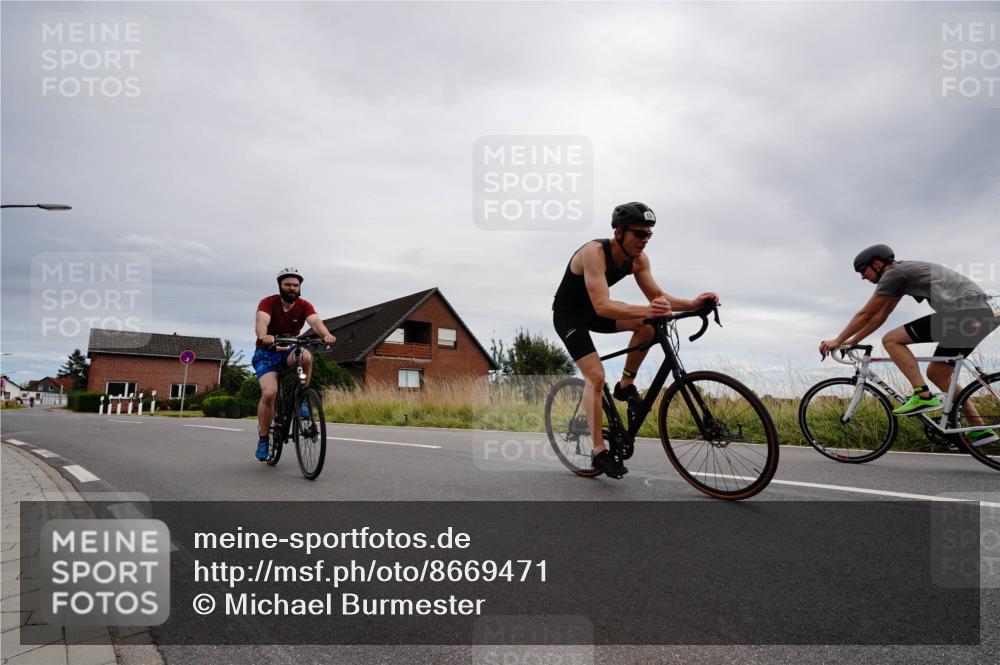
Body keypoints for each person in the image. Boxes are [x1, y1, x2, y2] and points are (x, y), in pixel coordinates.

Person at [552, 202, 720, 478]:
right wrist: (650, 310)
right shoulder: (594, 253)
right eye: (638, 234)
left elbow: (657, 297)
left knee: (650, 327)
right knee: (595, 376)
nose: (644, 240)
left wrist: (693, 304)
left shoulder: (638, 260)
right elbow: (602, 305)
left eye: (648, 235)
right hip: (571, 317)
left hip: (598, 312)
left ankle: (626, 384)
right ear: (618, 231)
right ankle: (598, 451)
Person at [820, 244, 998, 445]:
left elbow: (866, 314)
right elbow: (881, 315)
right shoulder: (901, 276)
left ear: (877, 264)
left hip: (966, 313)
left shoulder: (893, 275)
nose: (863, 277)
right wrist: (853, 341)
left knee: (891, 339)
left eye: (863, 271)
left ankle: (922, 395)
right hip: (982, 315)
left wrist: (837, 340)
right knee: (938, 374)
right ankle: (979, 429)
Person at [252, 268, 336, 461]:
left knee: (306, 357)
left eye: (295, 285)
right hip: (267, 353)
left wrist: (326, 335)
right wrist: (263, 336)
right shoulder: (268, 302)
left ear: (299, 288)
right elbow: (261, 321)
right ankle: (264, 439)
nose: (292, 288)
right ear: (280, 286)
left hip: (289, 350)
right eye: (287, 285)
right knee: (269, 393)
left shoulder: (304, 305)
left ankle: (304, 397)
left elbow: (315, 322)